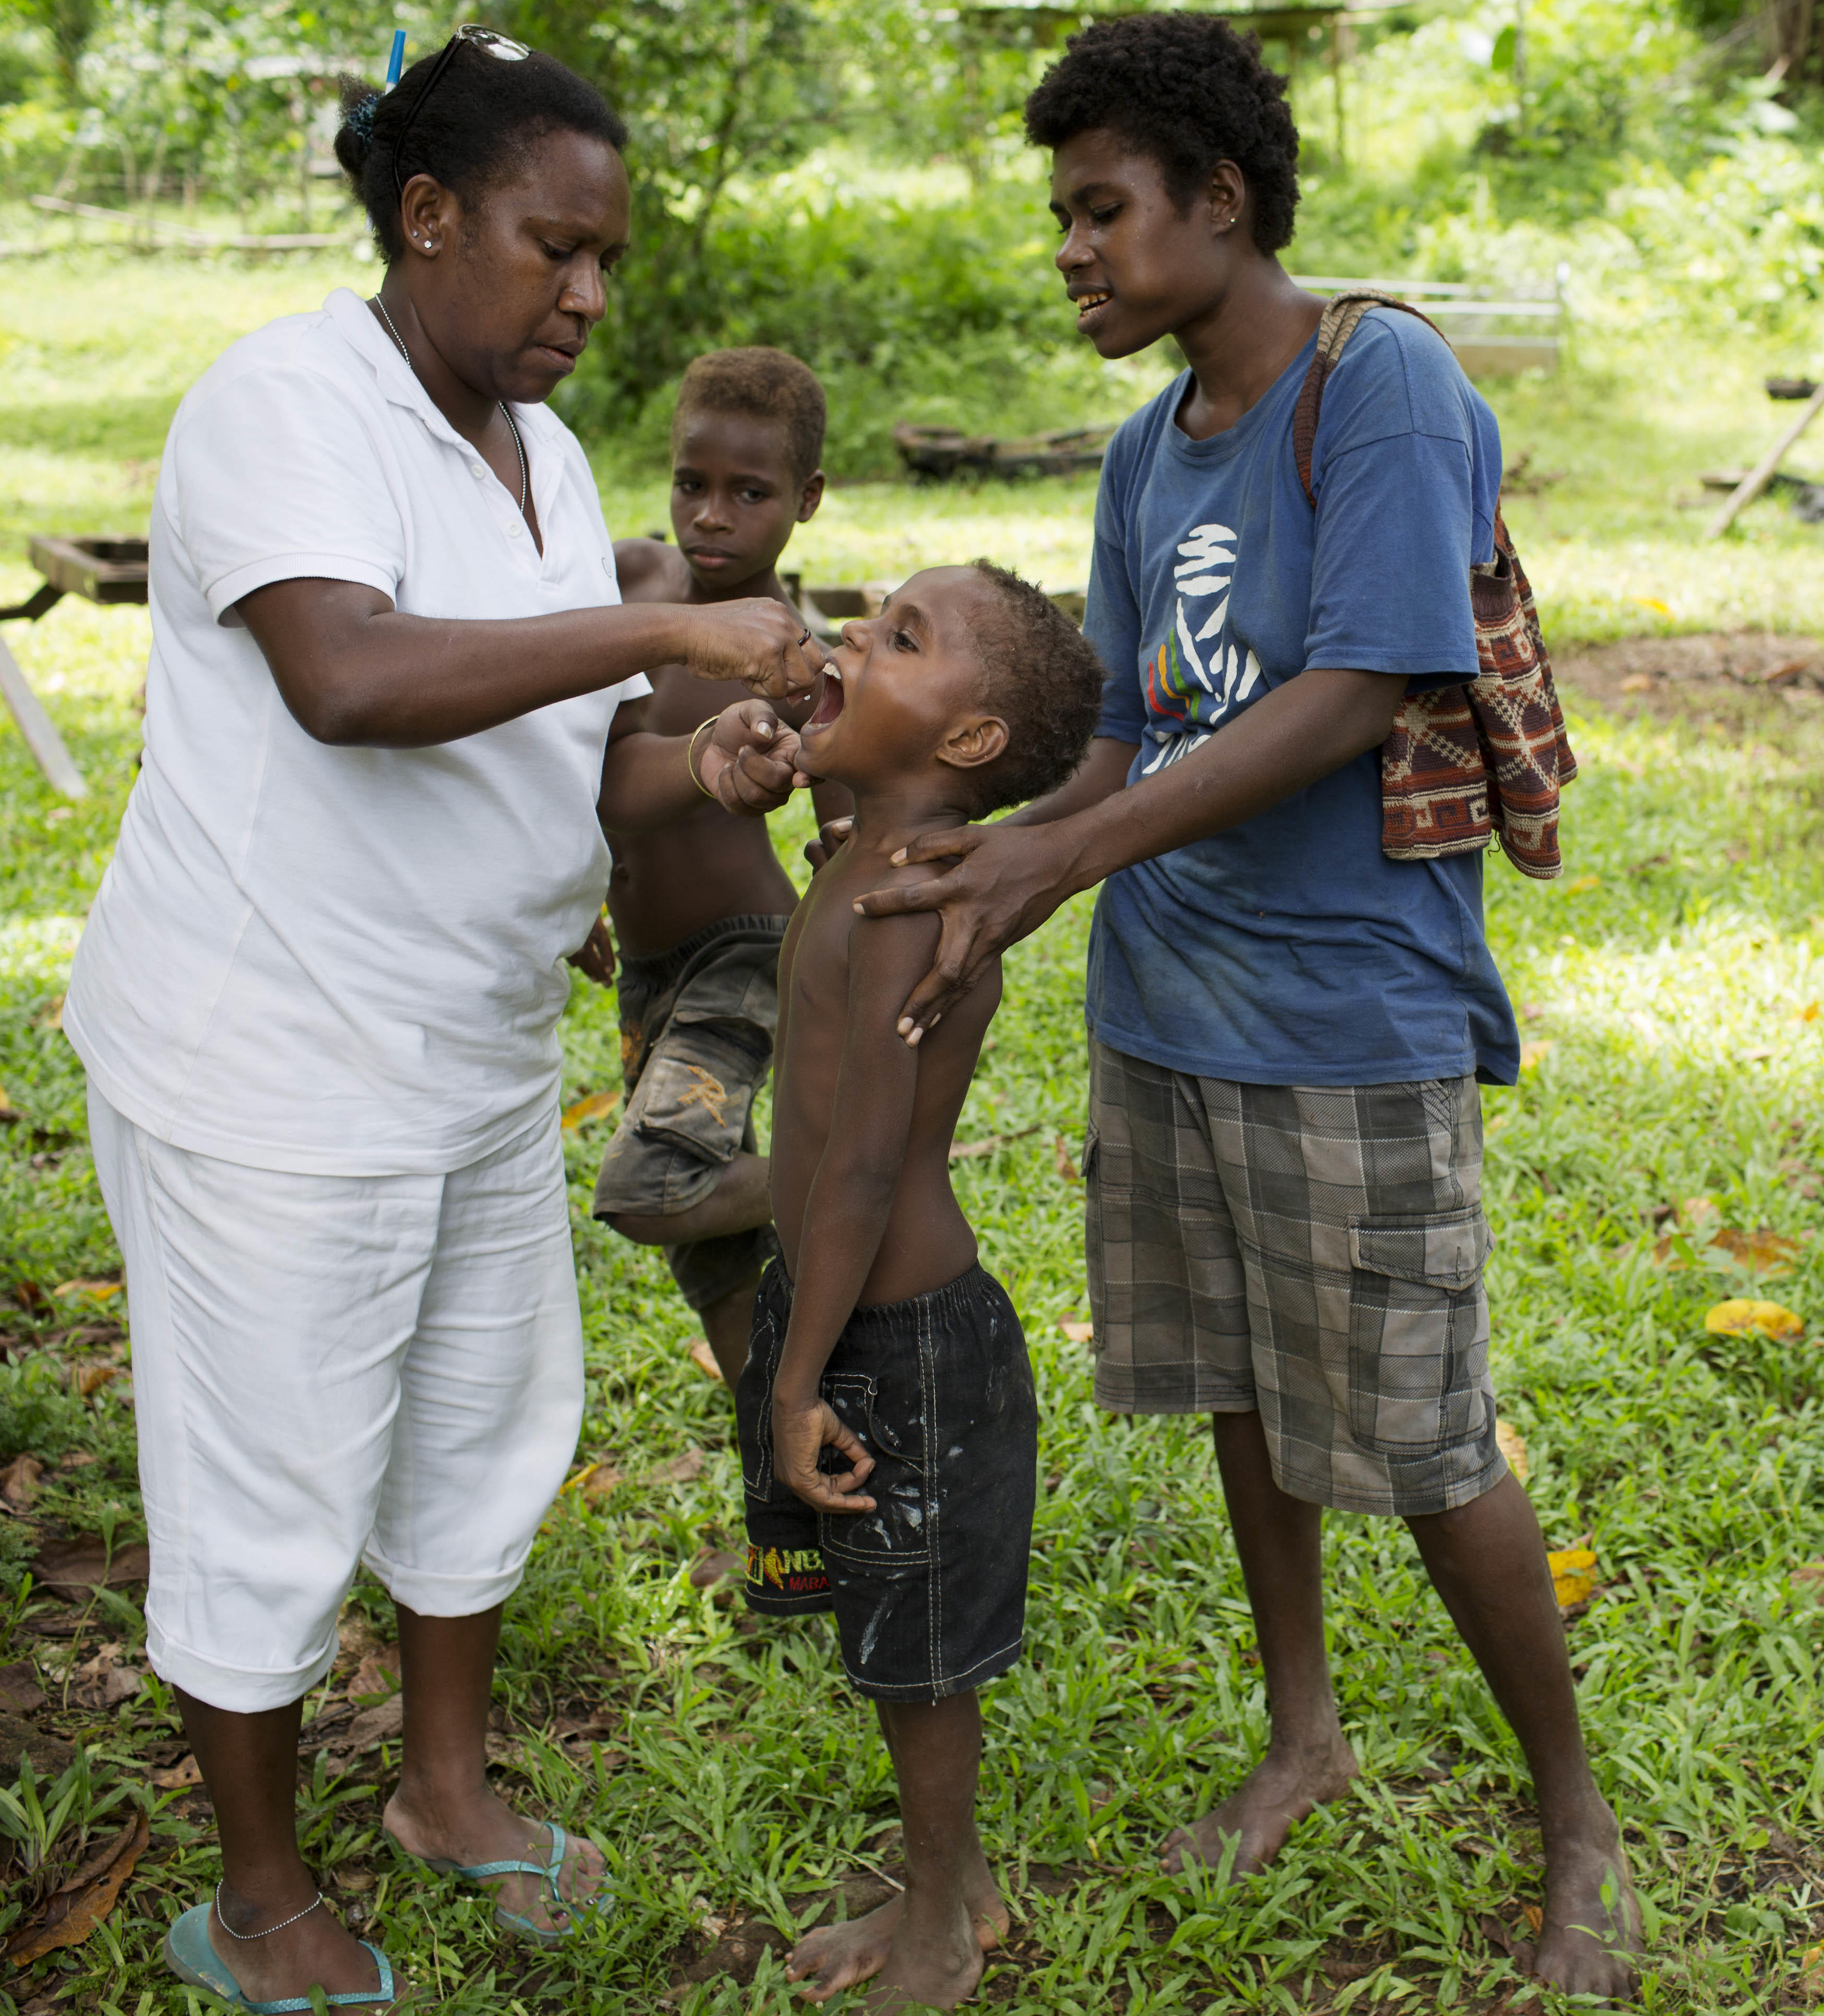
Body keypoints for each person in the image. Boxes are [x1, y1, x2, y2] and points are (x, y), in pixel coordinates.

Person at [853, 15, 1640, 1999]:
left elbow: (1360, 687)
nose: (1073, 251)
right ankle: (1306, 1737)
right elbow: (1127, 730)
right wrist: (979, 864)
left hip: (1346, 1018)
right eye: (1062, 217)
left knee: (1427, 1444)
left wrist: (1056, 865)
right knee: (1243, 1396)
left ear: (1221, 199)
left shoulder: (1381, 390)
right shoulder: (1146, 451)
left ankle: (1577, 1819)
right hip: (1167, 1014)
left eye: (1102, 209)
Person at [60, 32, 816, 2014]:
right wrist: (673, 625)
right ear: (426, 216)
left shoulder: (545, 457)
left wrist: (699, 761)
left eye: (609, 261)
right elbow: (353, 678)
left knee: (483, 1431)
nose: (590, 296)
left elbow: (573, 759)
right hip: (268, 1059)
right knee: (273, 1476)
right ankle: (256, 1898)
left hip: (468, 1051)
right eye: (555, 248)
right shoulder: (283, 404)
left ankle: (445, 1792)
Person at [732, 564, 1103, 2010]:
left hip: (901, 1340)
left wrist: (795, 1377)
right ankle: (953, 1881)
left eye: (900, 639)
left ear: (968, 742)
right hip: (843, 1312)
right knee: (892, 1633)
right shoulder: (864, 849)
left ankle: (943, 1920)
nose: (850, 640)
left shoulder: (907, 901)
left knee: (922, 1658)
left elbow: (867, 1169)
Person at [596, 345, 838, 1389]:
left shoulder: (801, 666)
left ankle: (853, 1184)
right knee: (717, 1266)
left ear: (806, 500)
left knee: (656, 1188)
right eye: (691, 484)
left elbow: (849, 840)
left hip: (741, 955)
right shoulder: (635, 583)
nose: (711, 516)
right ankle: (778, 1469)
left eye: (750, 493)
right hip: (645, 971)